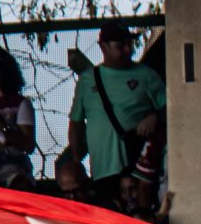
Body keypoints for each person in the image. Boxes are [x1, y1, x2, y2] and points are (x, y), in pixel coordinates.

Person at [63, 22, 166, 189]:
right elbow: (76, 122)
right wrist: (76, 160)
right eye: (120, 45)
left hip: (140, 171)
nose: (128, 50)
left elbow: (172, 110)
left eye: (129, 44)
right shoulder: (87, 80)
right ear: (103, 47)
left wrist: (155, 117)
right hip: (102, 171)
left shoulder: (146, 75)